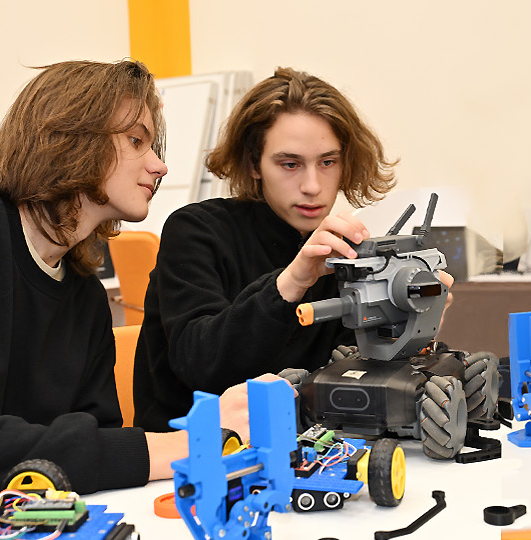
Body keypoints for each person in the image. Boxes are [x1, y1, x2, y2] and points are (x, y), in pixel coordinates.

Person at [0, 60, 262, 538]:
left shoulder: (84, 295)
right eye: (136, 140)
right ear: (70, 137)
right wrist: (176, 446)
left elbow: (91, 450)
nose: (160, 165)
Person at [133, 67, 408, 431]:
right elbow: (203, 367)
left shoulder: (343, 253)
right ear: (253, 163)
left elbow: (357, 376)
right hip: (195, 451)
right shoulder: (197, 231)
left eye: (328, 162)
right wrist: (293, 281)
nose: (312, 186)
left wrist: (408, 318)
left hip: (314, 446)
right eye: (290, 164)